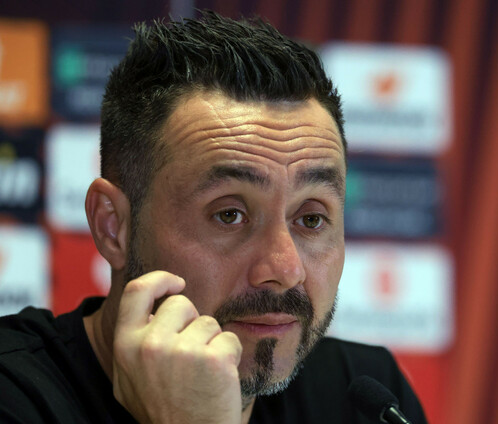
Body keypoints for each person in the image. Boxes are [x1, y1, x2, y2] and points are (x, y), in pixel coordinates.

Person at [0, 11, 427, 424]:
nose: (285, 270)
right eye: (229, 215)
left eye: (311, 220)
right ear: (113, 227)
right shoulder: (13, 394)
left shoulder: (366, 398)